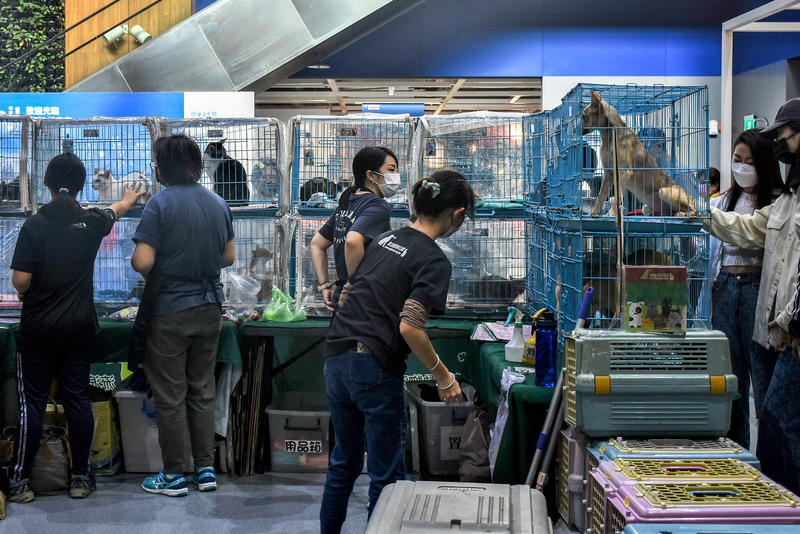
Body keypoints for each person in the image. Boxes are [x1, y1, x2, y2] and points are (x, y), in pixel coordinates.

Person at [319, 170, 474, 534]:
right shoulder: (434, 260)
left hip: (336, 355)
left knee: (344, 462)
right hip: (371, 365)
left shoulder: (386, 238)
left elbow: (350, 291)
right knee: (387, 475)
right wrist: (444, 376)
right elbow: (409, 326)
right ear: (457, 215)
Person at [7, 153, 145, 502]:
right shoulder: (91, 221)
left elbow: (21, 281)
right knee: (77, 400)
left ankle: (21, 481)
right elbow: (115, 210)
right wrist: (129, 197)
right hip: (80, 328)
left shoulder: (35, 225)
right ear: (83, 185)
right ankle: (81, 476)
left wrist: (31, 288)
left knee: (33, 404)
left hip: (39, 329)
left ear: (47, 184)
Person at [130, 134, 235, 497]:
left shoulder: (159, 204)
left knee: (170, 394)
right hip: (210, 309)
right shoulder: (219, 203)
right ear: (197, 165)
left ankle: (173, 474)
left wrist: (166, 269)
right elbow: (228, 258)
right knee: (201, 390)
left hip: (170, 311)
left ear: (162, 168)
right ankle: (206, 470)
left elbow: (142, 261)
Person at [705, 99, 800, 493]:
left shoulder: (782, 196)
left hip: (790, 326)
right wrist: (696, 210)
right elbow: (744, 229)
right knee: (764, 408)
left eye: (784, 136)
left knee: (776, 411)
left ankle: (784, 495)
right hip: (778, 324)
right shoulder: (789, 199)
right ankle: (771, 490)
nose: (780, 143)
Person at [708, 129, 782, 450]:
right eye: (736, 160)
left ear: (763, 164)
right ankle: (733, 451)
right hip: (724, 287)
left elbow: (745, 232)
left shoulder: (777, 203)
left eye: (749, 162)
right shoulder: (725, 199)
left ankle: (767, 462)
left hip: (756, 292)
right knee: (730, 380)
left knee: (761, 380)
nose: (741, 167)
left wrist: (702, 214)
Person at [310, 146, 400, 313]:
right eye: (391, 170)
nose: (395, 176)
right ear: (370, 175)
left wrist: (324, 286)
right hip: (363, 299)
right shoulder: (378, 205)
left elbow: (317, 244)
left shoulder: (348, 202)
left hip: (342, 295)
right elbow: (352, 241)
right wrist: (357, 290)